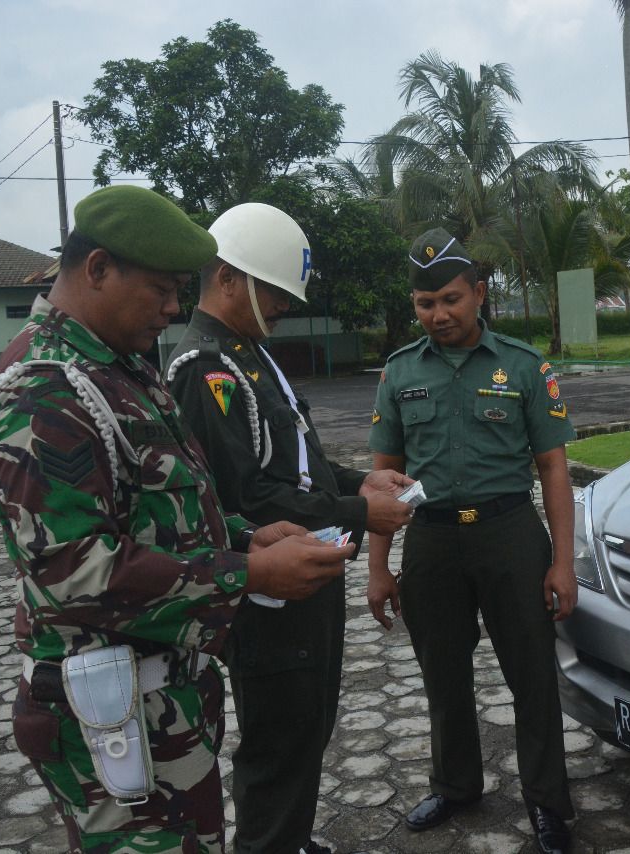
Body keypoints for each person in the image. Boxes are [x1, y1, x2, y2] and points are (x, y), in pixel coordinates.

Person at [0, 185, 354, 853]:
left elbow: (161, 510)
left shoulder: (119, 369)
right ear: (97, 270)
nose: (177, 306)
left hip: (161, 707)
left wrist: (244, 534)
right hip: (108, 722)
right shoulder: (46, 388)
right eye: (162, 288)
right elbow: (75, 572)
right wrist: (248, 572)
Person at [165, 202, 413, 854]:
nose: (282, 306)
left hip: (306, 574)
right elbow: (249, 496)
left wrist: (358, 479)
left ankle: (290, 840)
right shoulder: (207, 370)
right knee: (279, 741)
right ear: (228, 277)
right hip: (268, 588)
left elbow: (295, 463)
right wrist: (363, 514)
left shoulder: (248, 356)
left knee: (307, 726)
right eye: (273, 290)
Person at [366, 228, 578, 854]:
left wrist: (563, 563)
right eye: (426, 303)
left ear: (479, 294)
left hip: (510, 536)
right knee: (443, 672)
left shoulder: (523, 365)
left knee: (532, 675)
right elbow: (382, 479)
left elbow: (554, 469)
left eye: (452, 299)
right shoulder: (400, 371)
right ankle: (456, 784)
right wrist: (379, 569)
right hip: (430, 541)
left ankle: (548, 804)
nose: (440, 314)